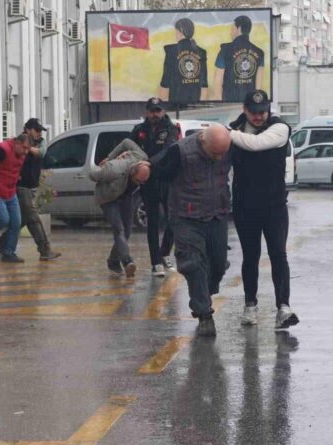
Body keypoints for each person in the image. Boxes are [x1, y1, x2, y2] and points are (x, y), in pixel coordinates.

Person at [150, 124, 232, 337]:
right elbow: (155, 171)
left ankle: (206, 290)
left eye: (223, 153)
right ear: (203, 141)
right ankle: (204, 313)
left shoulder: (227, 147)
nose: (219, 157)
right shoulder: (180, 151)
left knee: (219, 264)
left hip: (217, 215)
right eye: (215, 153)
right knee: (192, 264)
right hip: (187, 218)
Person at [229, 90, 299, 329]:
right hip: (245, 205)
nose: (259, 117)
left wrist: (227, 133)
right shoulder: (235, 129)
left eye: (262, 112)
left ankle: (283, 307)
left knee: (278, 255)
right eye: (254, 112)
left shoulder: (279, 128)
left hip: (274, 205)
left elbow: (256, 144)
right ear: (244, 109)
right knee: (251, 257)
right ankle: (250, 306)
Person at [0, 118, 61, 261]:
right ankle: (45, 249)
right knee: (33, 217)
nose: (38, 133)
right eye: (36, 130)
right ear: (27, 129)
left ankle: (1, 244)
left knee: (23, 219)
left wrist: (28, 147)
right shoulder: (17, 144)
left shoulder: (38, 142)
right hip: (21, 187)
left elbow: (42, 153)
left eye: (40, 130)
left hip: (32, 187)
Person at [131, 98, 180, 277]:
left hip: (166, 178)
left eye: (158, 111)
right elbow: (130, 149)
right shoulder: (139, 130)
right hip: (148, 181)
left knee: (172, 219)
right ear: (147, 112)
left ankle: (165, 253)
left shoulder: (171, 129)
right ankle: (155, 262)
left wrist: (148, 163)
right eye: (152, 111)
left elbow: (168, 150)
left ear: (163, 111)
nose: (155, 114)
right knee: (152, 221)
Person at [89, 139, 151, 278]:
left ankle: (113, 261)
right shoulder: (114, 169)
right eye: (138, 181)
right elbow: (92, 174)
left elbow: (127, 142)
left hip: (125, 196)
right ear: (131, 173)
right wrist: (108, 161)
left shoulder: (142, 157)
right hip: (108, 198)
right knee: (119, 229)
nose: (141, 184)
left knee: (127, 231)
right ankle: (128, 262)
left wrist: (112, 154)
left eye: (143, 182)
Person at [0, 133, 35, 263]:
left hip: (10, 191)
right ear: (17, 143)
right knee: (3, 218)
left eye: (28, 149)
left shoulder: (21, 154)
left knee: (16, 222)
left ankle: (8, 252)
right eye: (24, 148)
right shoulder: (1, 150)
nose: (26, 152)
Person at [213, 15, 265, 102]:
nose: (231, 32)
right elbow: (258, 87)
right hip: (249, 104)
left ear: (239, 28)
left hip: (228, 103)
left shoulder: (225, 50)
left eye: (232, 28)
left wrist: (220, 102)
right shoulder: (260, 53)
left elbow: (217, 81)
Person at [159, 18, 208, 105]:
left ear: (180, 31)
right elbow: (204, 85)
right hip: (194, 105)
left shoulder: (171, 51)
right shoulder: (201, 52)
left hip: (176, 104)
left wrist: (162, 105)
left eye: (176, 31)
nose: (175, 34)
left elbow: (165, 83)